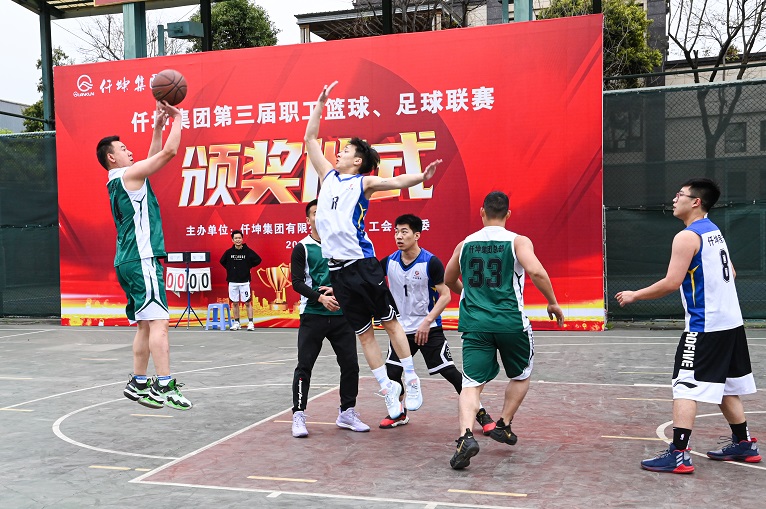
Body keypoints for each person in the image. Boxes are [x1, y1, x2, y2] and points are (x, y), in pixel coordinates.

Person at [304, 81, 442, 419]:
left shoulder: (362, 182)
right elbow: (310, 139)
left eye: (346, 150)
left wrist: (422, 177)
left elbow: (395, 182)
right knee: (364, 335)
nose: (339, 153)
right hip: (338, 271)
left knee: (391, 324)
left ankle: (411, 379)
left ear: (358, 160)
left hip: (363, 265)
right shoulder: (327, 176)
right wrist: (319, 104)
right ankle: (387, 389)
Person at [616, 178, 760, 474]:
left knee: (685, 386)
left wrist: (635, 295)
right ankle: (744, 443)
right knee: (724, 385)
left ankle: (679, 454)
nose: (674, 199)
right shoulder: (713, 231)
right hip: (731, 323)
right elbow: (731, 272)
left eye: (679, 194)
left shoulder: (687, 237)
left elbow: (672, 282)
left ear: (696, 202)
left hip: (705, 326)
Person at [444, 191, 564, 469]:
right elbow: (536, 272)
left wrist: (469, 294)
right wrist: (552, 302)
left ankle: (465, 436)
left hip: (475, 324)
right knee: (521, 374)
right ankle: (504, 424)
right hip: (511, 323)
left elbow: (449, 278)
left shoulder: (465, 244)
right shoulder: (518, 241)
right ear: (508, 214)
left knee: (471, 384)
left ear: (481, 212)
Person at [97, 101, 192, 411]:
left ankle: (138, 382)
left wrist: (157, 127)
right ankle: (164, 385)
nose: (130, 151)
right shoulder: (129, 175)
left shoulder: (119, 180)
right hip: (142, 259)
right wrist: (178, 118)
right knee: (160, 323)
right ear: (112, 157)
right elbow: (168, 153)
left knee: (144, 325)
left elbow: (150, 159)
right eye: (123, 148)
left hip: (126, 261)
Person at [378, 214, 496, 435]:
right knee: (392, 373)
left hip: (429, 329)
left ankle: (482, 414)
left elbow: (445, 295)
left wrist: (427, 322)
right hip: (401, 331)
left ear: (417, 235)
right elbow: (366, 280)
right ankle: (400, 413)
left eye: (404, 232)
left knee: (450, 373)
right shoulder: (389, 262)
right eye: (396, 232)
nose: (399, 236)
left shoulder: (430, 262)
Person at [290, 199, 369, 438]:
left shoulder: (340, 245)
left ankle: (347, 412)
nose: (319, 216)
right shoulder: (302, 247)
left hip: (341, 316)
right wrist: (320, 298)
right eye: (315, 213)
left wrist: (340, 293)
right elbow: (297, 283)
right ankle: (298, 414)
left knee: (350, 365)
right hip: (313, 315)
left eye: (322, 212)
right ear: (308, 220)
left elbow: (351, 277)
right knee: (305, 365)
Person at [220, 229, 262, 331]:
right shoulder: (229, 252)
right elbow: (222, 261)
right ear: (232, 240)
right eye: (236, 238)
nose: (238, 240)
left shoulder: (248, 251)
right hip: (232, 281)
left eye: (239, 238)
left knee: (247, 302)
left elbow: (258, 260)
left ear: (242, 239)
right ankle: (237, 322)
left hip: (244, 282)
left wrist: (247, 267)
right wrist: (230, 269)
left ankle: (250, 323)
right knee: (234, 303)